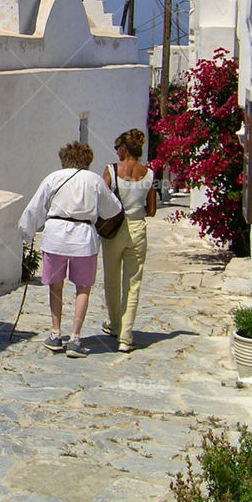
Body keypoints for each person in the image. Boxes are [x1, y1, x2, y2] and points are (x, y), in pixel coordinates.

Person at [19, 142, 123, 358]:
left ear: (64, 158)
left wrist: (26, 233)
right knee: (83, 288)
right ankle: (75, 338)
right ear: (87, 159)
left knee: (55, 287)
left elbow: (35, 206)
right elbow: (113, 209)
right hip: (83, 238)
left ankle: (55, 334)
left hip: (55, 236)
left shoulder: (53, 177)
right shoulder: (94, 180)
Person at [101, 128, 156, 353]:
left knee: (112, 280)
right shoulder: (149, 174)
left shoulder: (111, 171)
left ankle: (114, 324)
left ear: (123, 149)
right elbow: (151, 210)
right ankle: (126, 336)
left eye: (117, 148)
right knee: (133, 284)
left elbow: (100, 198)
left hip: (115, 231)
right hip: (137, 229)